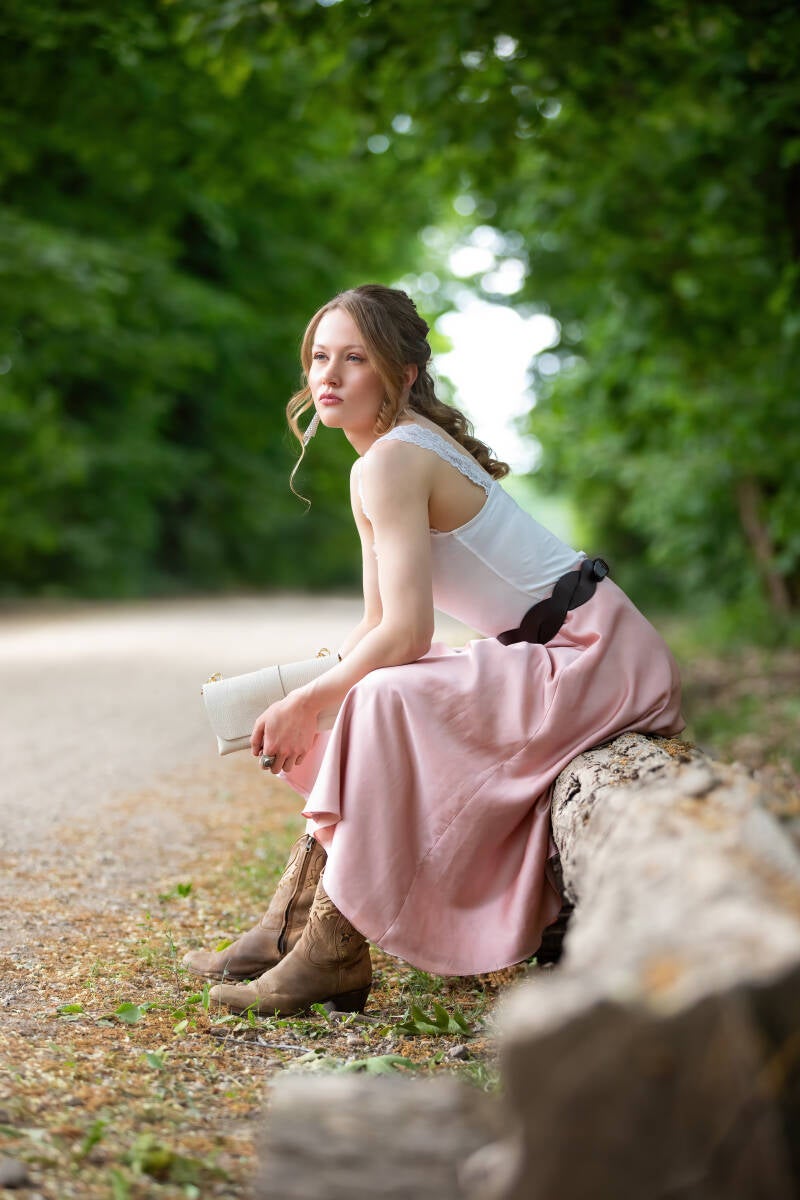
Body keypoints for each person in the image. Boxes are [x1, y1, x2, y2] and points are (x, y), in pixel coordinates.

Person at [183, 284, 683, 1015]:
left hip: (598, 656)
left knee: (383, 696)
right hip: (566, 650)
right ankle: (289, 925)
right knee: (369, 693)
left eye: (355, 359)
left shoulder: (392, 460)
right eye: (319, 357)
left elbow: (409, 635)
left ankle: (329, 951)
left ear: (403, 372)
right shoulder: (379, 459)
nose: (329, 376)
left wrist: (309, 703)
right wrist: (312, 694)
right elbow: (378, 623)